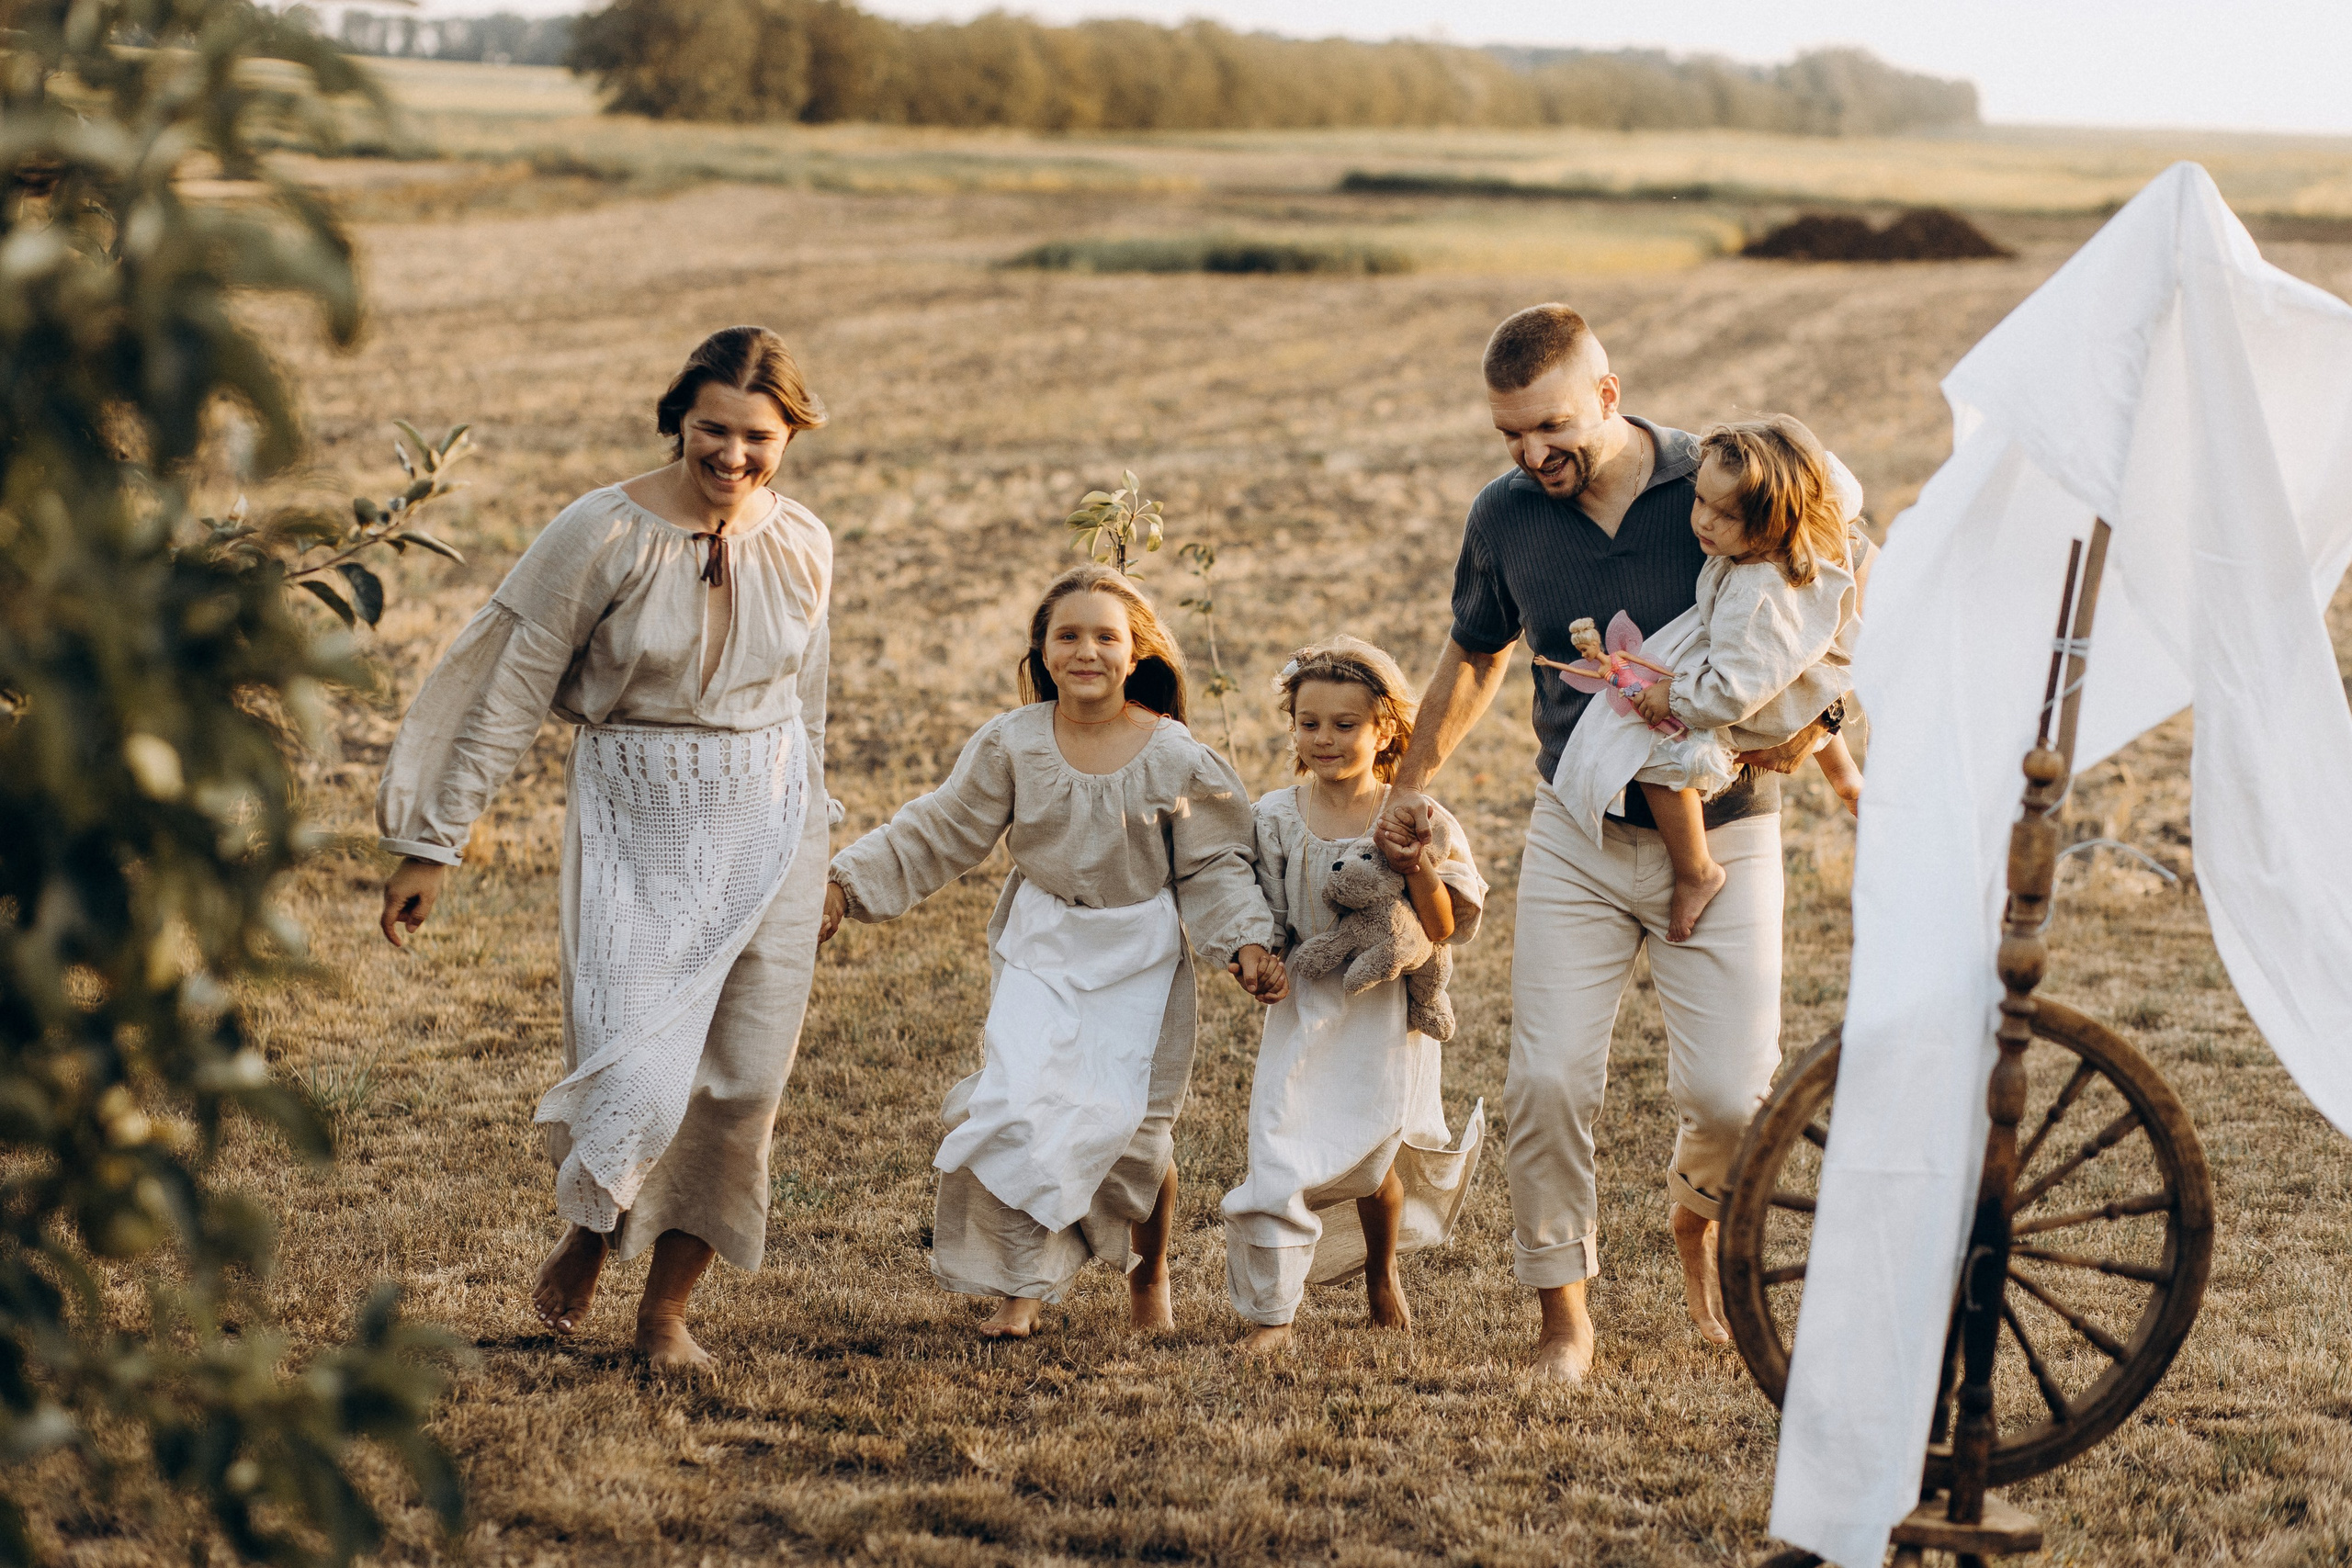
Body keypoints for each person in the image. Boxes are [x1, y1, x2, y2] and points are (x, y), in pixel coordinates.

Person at [376, 325, 837, 1371]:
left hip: (767, 818)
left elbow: (808, 708)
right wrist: (433, 844)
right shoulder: (600, 532)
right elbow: (508, 688)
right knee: (635, 1061)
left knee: (738, 1087)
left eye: (757, 437)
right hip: (637, 810)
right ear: (678, 416)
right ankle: (592, 1226)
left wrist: (819, 838)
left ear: (790, 434)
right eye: (711, 430)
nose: (731, 455)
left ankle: (664, 1313)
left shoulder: (805, 540)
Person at [1377, 303, 1796, 1382]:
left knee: (1728, 1100)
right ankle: (1565, 1320)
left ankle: (1695, 1216)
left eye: (1551, 425)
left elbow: (1828, 590)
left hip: (1730, 830)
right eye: (1509, 434)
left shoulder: (1717, 480)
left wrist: (1824, 723)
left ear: (1608, 397)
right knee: (1547, 1081)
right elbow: (1473, 656)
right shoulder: (1505, 516)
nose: (1531, 453)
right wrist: (1411, 784)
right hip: (1578, 831)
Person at [820, 565, 1283, 1339]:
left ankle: (1150, 1275)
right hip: (1044, 947)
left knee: (1133, 1129)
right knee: (1020, 1108)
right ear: (1042, 649)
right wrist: (845, 883)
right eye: (1067, 635)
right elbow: (939, 827)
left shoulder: (1174, 756)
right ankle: (1021, 1290)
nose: (1086, 651)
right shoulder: (1014, 743)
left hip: (1137, 956)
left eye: (1106, 636)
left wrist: (1245, 941)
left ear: (1136, 653)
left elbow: (1213, 862)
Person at [1222, 638, 1487, 1355]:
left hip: (1381, 1017)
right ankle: (1273, 1315)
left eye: (1345, 725)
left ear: (1385, 732)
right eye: (1310, 723)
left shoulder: (1415, 815)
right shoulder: (1274, 816)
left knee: (1372, 1163)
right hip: (1303, 1009)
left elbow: (1440, 931)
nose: (1326, 739)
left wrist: (1420, 868)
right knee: (1277, 1146)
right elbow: (1258, 917)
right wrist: (1259, 964)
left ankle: (1380, 1272)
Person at [1543, 414, 1871, 942]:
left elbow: (1734, 691)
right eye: (1701, 500)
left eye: (1726, 514)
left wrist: (1668, 695)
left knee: (1655, 753)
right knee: (1805, 692)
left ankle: (1696, 870)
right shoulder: (1793, 533)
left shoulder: (1757, 591)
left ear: (1774, 523)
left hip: (1766, 698)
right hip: (1808, 680)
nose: (1703, 521)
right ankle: (1846, 777)